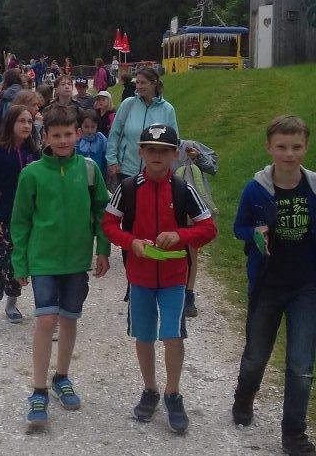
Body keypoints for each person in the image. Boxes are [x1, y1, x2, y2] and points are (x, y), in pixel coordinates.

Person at [101, 124, 217, 434]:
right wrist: (131, 243)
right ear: (140, 152)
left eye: (163, 151)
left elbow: (209, 228)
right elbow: (108, 224)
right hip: (139, 277)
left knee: (172, 335)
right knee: (144, 335)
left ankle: (173, 393)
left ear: (174, 154)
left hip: (173, 278)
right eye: (150, 149)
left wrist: (180, 235)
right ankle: (150, 389)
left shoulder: (183, 189)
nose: (156, 156)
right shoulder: (127, 188)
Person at [11, 105, 110, 428]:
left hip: (77, 259)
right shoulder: (32, 174)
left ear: (78, 134)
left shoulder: (90, 170)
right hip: (43, 259)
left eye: (68, 134)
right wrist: (20, 261)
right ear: (46, 138)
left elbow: (102, 211)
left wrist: (103, 249)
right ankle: (38, 389)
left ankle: (62, 377)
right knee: (45, 320)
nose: (63, 140)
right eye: (56, 135)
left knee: (69, 319)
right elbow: (21, 220)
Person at [232, 116, 316, 456]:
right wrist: (254, 233)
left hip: (306, 287)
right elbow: (239, 227)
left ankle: (294, 433)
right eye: (282, 146)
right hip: (266, 285)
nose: (289, 154)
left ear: (305, 147)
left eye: (296, 147)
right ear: (269, 147)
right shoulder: (255, 189)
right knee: (256, 354)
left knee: (301, 363)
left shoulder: (313, 188)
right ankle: (244, 397)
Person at [0, 105, 40, 338]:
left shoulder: (33, 152)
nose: (26, 125)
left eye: (29, 121)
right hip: (3, 219)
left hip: (28, 220)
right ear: (10, 124)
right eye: (21, 121)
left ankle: (12, 303)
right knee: (0, 264)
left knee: (20, 263)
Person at [106, 66, 178, 193]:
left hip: (154, 172)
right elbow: (114, 134)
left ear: (154, 83)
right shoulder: (128, 104)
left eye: (143, 83)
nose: (138, 86)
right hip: (126, 170)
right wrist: (111, 160)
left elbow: (174, 141)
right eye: (137, 82)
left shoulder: (167, 109)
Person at [173, 139, 218, 317]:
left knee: (190, 252)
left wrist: (198, 157)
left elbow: (213, 167)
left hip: (191, 208)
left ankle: (188, 295)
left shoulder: (189, 145)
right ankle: (169, 291)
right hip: (168, 207)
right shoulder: (155, 147)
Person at [75, 110, 107, 176]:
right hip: (79, 175)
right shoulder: (77, 139)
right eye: (86, 127)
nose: (89, 130)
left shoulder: (101, 139)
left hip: (97, 175)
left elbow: (105, 158)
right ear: (81, 125)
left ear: (97, 126)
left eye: (93, 127)